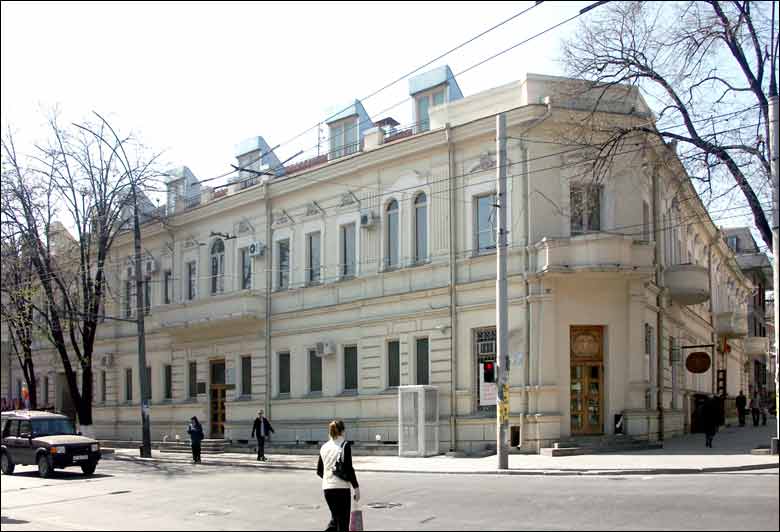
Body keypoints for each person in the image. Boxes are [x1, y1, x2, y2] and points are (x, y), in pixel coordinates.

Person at [317, 420, 360, 532]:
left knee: (335, 521)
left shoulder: (324, 447)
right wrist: (356, 488)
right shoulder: (345, 445)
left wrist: (329, 480)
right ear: (343, 431)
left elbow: (319, 471)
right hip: (342, 489)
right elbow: (349, 469)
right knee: (343, 523)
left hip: (327, 489)